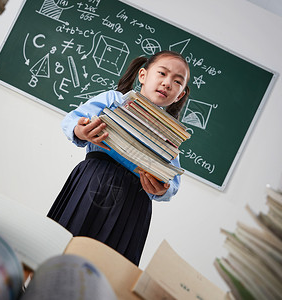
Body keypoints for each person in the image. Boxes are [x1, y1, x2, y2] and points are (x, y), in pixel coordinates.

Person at [47, 50, 191, 265]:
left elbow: (172, 182)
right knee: (64, 248)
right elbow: (73, 120)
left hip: (134, 202)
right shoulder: (113, 99)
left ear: (179, 95)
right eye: (162, 73)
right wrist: (81, 131)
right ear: (142, 76)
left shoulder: (170, 132)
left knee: (108, 269)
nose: (167, 83)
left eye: (177, 82)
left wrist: (162, 188)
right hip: (92, 182)